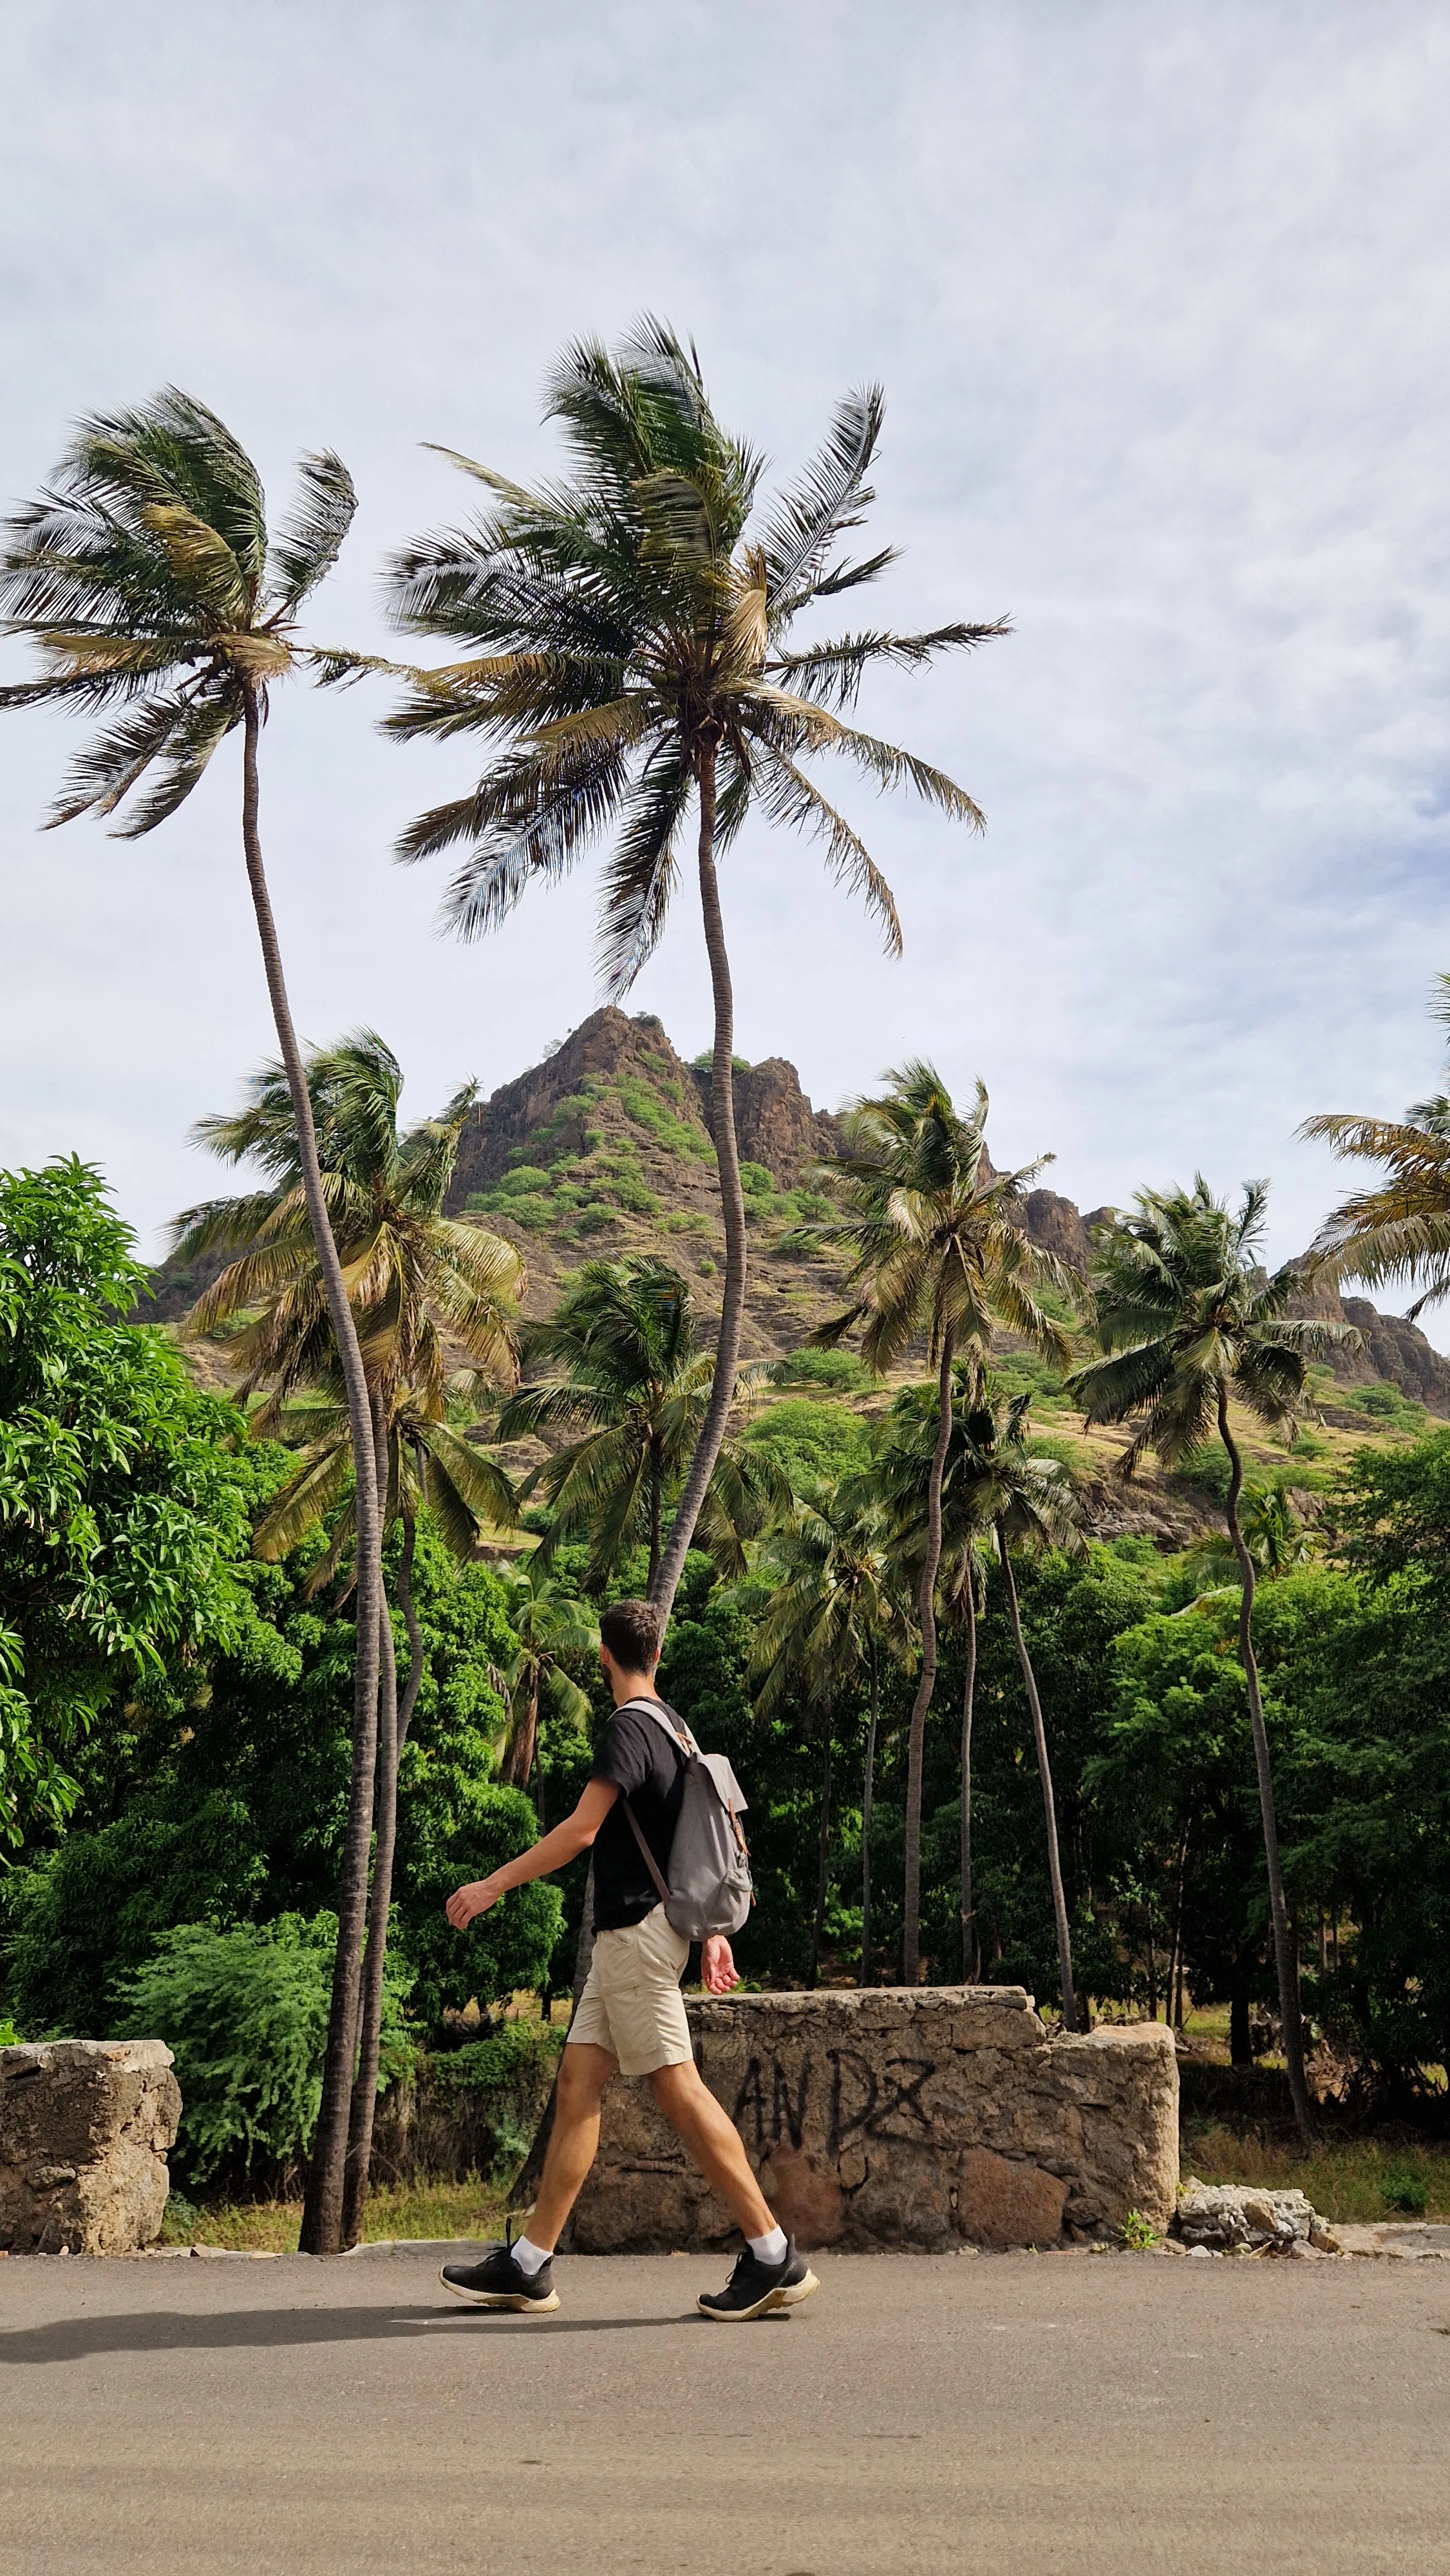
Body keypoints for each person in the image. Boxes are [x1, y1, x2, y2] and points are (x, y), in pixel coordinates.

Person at [438, 1596, 818, 2322]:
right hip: (641, 1934)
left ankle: (770, 2251)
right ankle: (528, 2264)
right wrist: (709, 1930)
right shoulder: (676, 1727)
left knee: (679, 2090)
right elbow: (691, 1837)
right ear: (656, 1654)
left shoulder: (626, 1728)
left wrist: (491, 1885)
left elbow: (582, 1831)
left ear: (604, 1657)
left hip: (634, 1937)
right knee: (579, 2084)